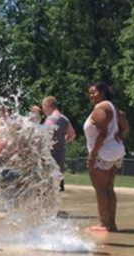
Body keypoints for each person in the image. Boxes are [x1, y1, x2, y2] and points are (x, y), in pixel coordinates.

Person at [83, 82, 128, 233]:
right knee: (109, 189)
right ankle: (111, 224)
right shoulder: (113, 107)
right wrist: (118, 133)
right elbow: (126, 125)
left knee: (101, 189)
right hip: (115, 151)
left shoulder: (101, 107)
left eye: (93, 92)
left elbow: (102, 133)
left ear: (102, 93)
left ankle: (104, 224)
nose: (91, 95)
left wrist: (93, 155)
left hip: (103, 153)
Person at [43, 96, 77, 192]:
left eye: (43, 107)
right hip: (60, 159)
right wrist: (62, 142)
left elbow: (44, 139)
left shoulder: (50, 120)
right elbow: (72, 134)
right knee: (56, 191)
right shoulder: (64, 119)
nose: (43, 110)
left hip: (49, 160)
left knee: (46, 192)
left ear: (46, 105)